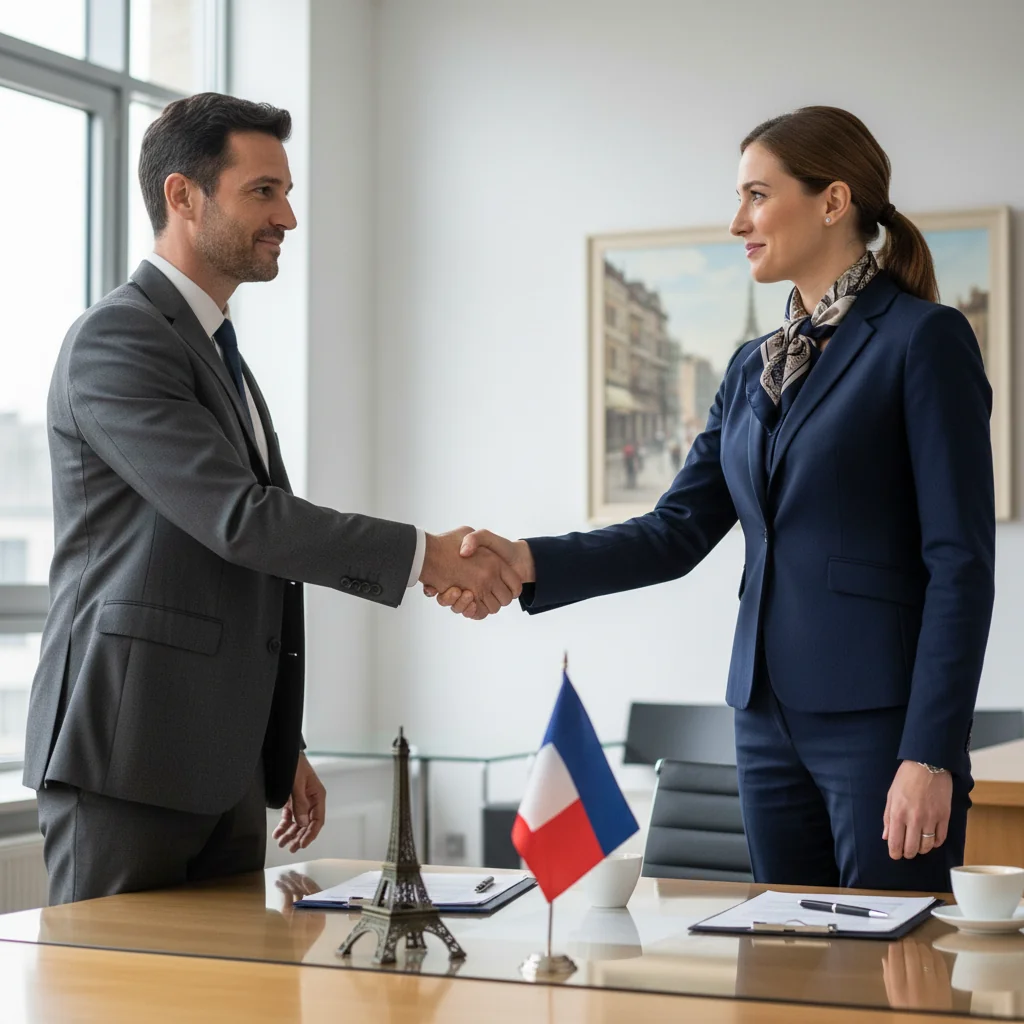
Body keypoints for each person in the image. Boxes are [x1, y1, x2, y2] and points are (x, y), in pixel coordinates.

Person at [430, 106, 995, 892]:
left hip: (881, 725)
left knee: (889, 957)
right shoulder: (750, 366)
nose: (738, 222)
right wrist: (526, 561)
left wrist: (930, 751)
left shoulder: (922, 340)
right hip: (762, 719)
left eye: (757, 196)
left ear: (833, 202)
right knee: (779, 952)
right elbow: (677, 530)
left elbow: (960, 563)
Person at [25, 92, 521, 905]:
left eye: (286, 192)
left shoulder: (216, 349)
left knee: (231, 977)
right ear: (183, 196)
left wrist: (278, 743)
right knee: (110, 976)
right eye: (264, 191)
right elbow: (240, 521)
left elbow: (225, 569)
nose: (287, 216)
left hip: (218, 765)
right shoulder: (117, 338)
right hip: (128, 755)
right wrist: (424, 555)